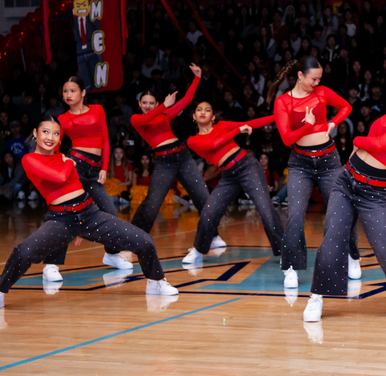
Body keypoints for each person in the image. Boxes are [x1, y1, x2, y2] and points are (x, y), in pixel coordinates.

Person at [303, 63, 386, 323]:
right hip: (347, 179)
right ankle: (316, 297)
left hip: (374, 192)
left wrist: (355, 141)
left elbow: (380, 144)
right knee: (331, 240)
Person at [0, 116, 178, 306]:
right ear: (35, 134)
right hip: (61, 219)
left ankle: (155, 282)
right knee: (23, 252)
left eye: (56, 133)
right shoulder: (30, 160)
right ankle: (1, 289)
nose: (51, 137)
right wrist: (69, 161)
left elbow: (74, 183)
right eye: (45, 131)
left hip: (89, 213)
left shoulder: (60, 156)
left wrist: (82, 227)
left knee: (145, 241)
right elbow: (59, 176)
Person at [273, 56, 359, 289]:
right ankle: (291, 267)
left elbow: (346, 106)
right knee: (295, 215)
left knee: (342, 209)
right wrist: (308, 125)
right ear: (300, 76)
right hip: (300, 163)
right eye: (313, 78)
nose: (317, 82)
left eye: (320, 79)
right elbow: (286, 138)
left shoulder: (322, 92)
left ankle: (351, 255)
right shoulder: (283, 102)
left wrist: (332, 124)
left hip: (329, 160)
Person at [41, 77, 133, 282]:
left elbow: (105, 139)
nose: (67, 95)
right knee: (65, 214)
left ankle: (111, 254)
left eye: (72, 90)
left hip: (94, 171)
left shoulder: (98, 110)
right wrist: (61, 159)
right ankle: (51, 265)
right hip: (76, 167)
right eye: (64, 91)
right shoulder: (62, 119)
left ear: (83, 93)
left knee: (110, 213)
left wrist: (104, 167)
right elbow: (53, 146)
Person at [129, 64, 223, 247]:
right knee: (153, 202)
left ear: (155, 104)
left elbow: (187, 99)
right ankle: (133, 237)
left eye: (151, 103)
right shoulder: (137, 119)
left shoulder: (163, 113)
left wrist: (197, 77)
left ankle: (212, 236)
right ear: (140, 104)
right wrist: (164, 105)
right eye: (144, 103)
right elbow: (147, 118)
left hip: (183, 155)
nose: (148, 106)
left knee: (202, 195)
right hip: (165, 161)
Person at [181, 101, 284, 263]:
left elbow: (251, 123)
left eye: (207, 110)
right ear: (194, 116)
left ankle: (284, 252)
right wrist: (237, 131)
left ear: (213, 116)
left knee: (266, 210)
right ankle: (199, 249)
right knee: (208, 212)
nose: (203, 112)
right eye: (199, 110)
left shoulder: (221, 125)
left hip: (247, 166)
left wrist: (278, 116)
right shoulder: (192, 141)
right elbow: (213, 144)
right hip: (228, 175)